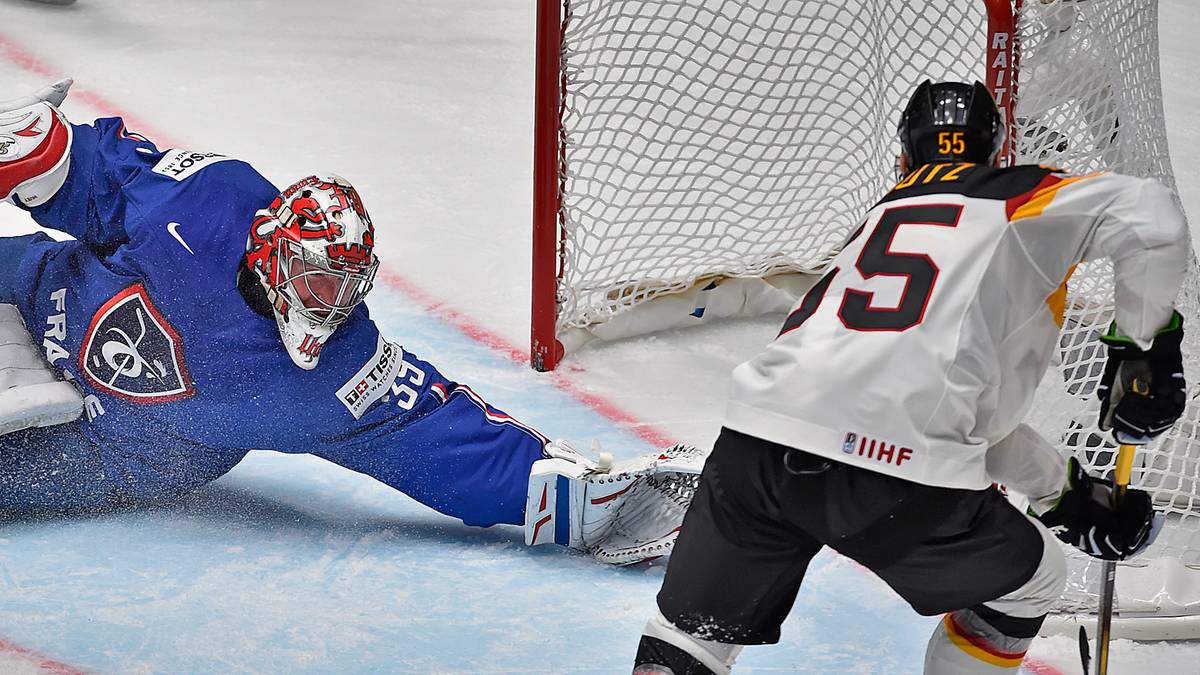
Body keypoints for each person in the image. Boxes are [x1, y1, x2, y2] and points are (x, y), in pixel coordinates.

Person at [0, 79, 703, 566]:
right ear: (273, 253)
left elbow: (449, 443)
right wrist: (42, 151)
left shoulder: (340, 372)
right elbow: (101, 178)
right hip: (44, 291)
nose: (328, 303)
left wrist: (587, 502)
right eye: (314, 278)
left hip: (132, 452)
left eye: (345, 285)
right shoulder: (210, 200)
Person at [631, 79, 1188, 674]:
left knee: (689, 637)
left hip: (756, 447)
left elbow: (916, 400)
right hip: (893, 479)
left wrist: (1064, 492)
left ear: (904, 157)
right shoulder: (1022, 197)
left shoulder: (880, 218)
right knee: (1034, 579)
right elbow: (1151, 214)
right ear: (995, 152)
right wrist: (1143, 347)